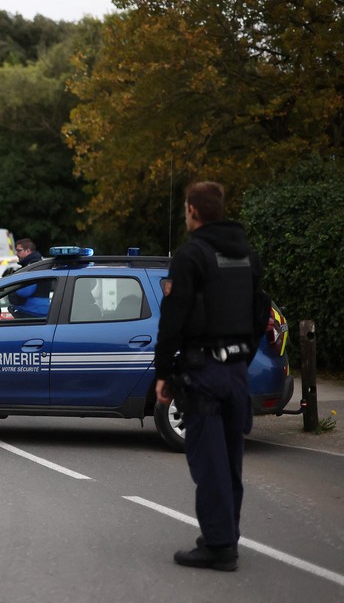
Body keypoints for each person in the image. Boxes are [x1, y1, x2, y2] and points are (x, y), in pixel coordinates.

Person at [154, 181, 269, 572]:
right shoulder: (246, 255)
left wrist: (164, 372)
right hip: (237, 373)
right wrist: (242, 357)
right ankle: (224, 533)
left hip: (203, 372)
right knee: (231, 460)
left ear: (192, 211)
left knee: (209, 463)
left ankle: (219, 547)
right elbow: (260, 313)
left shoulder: (191, 256)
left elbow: (173, 319)